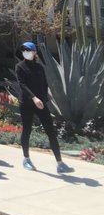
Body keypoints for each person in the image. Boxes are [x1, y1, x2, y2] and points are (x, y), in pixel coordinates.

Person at [15, 41, 73, 173]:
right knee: (27, 130)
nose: (26, 52)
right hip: (27, 103)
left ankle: (60, 163)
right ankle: (26, 159)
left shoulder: (39, 67)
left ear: (35, 52)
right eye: (23, 50)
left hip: (41, 103)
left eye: (28, 50)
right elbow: (22, 85)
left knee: (51, 131)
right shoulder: (20, 66)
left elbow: (44, 84)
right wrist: (34, 98)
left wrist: (44, 99)